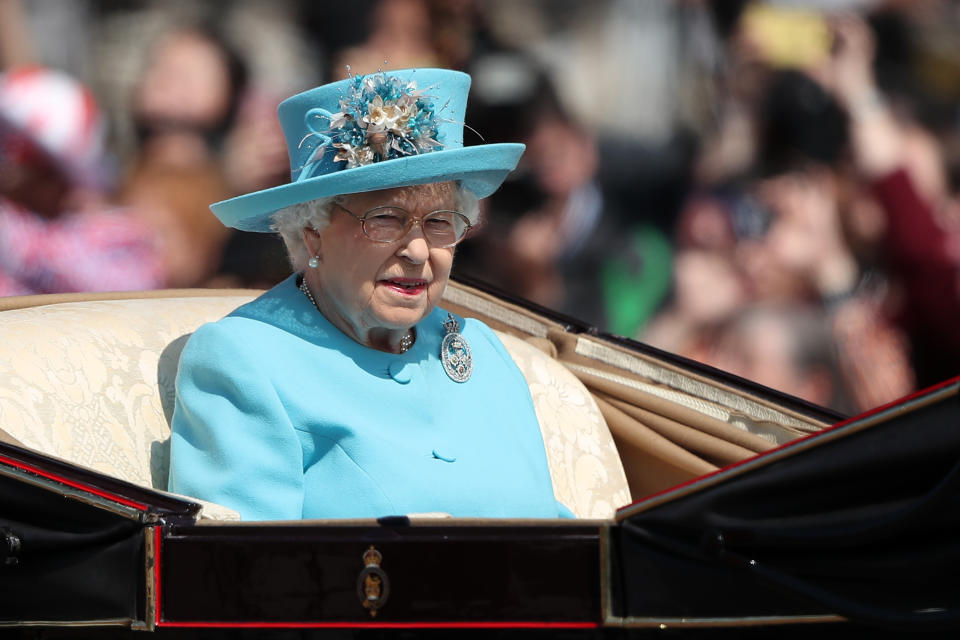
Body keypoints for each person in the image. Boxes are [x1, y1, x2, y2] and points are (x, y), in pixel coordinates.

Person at [168, 68, 572, 521]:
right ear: (312, 232)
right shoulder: (243, 360)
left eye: (440, 222)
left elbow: (554, 530)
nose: (420, 250)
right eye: (385, 219)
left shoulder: (483, 350)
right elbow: (235, 571)